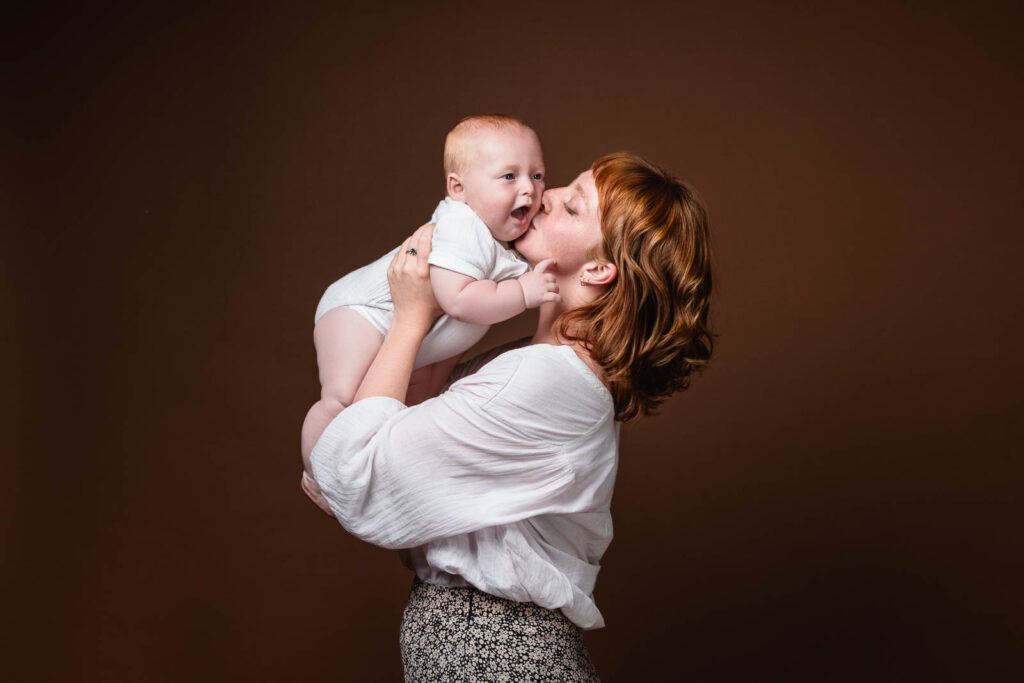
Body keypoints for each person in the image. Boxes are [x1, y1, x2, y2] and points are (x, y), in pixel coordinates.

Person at [303, 152, 714, 681]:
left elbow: (358, 472)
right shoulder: (531, 364)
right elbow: (393, 454)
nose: (543, 196)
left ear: (598, 268)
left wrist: (411, 317)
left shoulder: (545, 380)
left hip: (503, 654)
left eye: (572, 206)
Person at [300, 115, 558, 509]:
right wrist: (523, 292)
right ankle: (319, 470)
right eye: (509, 176)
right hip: (359, 312)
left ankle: (357, 477)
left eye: (537, 176)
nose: (529, 188)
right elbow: (457, 300)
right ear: (459, 188)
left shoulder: (506, 235)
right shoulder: (462, 225)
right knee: (345, 399)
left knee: (405, 413)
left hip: (413, 335)